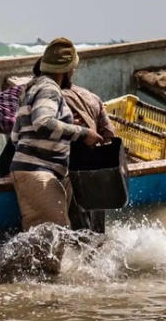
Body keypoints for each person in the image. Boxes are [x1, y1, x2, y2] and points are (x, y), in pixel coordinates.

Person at [9, 38, 102, 236]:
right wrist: (83, 133)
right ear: (66, 69)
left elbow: (16, 135)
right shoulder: (50, 89)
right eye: (73, 69)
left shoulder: (31, 88)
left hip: (35, 171)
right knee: (53, 240)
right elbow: (43, 123)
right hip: (39, 173)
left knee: (49, 242)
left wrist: (65, 128)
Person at [59, 61, 117, 232]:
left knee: (78, 233)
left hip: (72, 172)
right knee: (97, 232)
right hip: (97, 173)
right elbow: (109, 136)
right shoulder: (91, 97)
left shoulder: (53, 99)